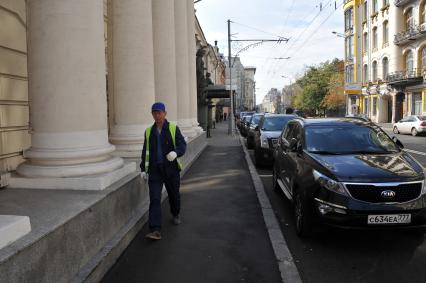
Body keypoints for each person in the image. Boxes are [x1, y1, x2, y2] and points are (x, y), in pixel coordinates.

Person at [140, 102, 187, 240]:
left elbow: (182, 145)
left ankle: (175, 213)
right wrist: (143, 168)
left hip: (171, 169)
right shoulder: (149, 131)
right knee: (154, 198)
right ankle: (155, 229)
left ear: (165, 113)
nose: (157, 115)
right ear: (152, 114)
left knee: (173, 195)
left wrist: (176, 152)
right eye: (154, 112)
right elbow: (145, 151)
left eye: (159, 112)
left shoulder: (173, 128)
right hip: (155, 170)